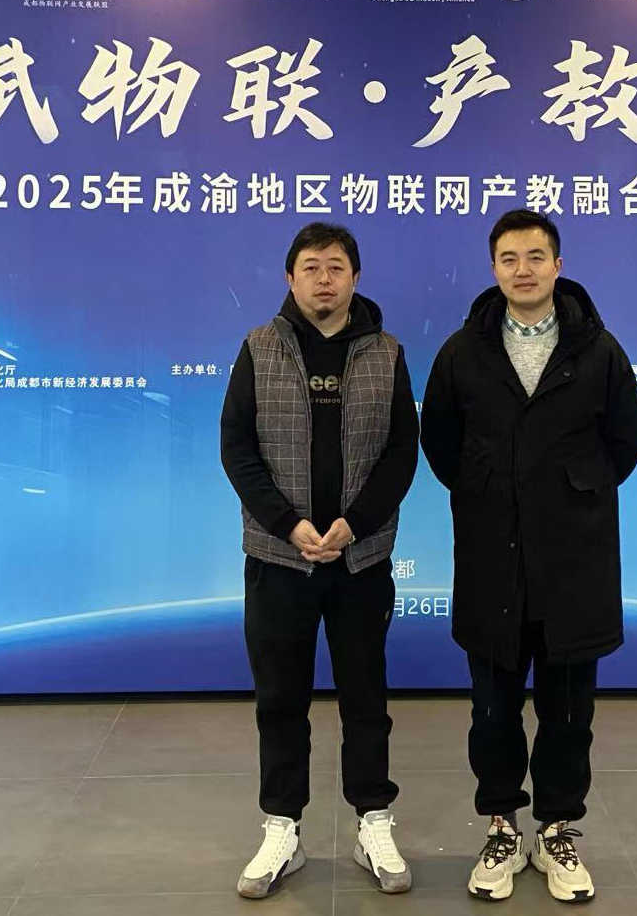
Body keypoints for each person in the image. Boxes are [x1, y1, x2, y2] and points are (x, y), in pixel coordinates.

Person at [420, 209, 637, 903]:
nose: (523, 270)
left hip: (574, 561)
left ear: (558, 265)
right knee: (492, 712)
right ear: (493, 268)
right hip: (491, 557)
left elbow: (627, 439)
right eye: (510, 258)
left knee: (568, 712)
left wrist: (575, 489)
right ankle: (501, 827)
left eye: (536, 256)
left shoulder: (598, 350)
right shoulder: (462, 351)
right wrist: (488, 490)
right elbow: (440, 441)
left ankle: (556, 829)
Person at [220, 222, 419, 898]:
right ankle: (283, 828)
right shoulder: (259, 347)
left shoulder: (387, 353)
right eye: (311, 267)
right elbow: (237, 449)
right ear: (290, 278)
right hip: (279, 559)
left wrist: (353, 525)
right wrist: (289, 524)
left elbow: (401, 453)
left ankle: (373, 821)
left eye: (336, 266)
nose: (324, 278)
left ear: (355, 277)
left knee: (366, 698)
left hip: (360, 562)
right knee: (281, 699)